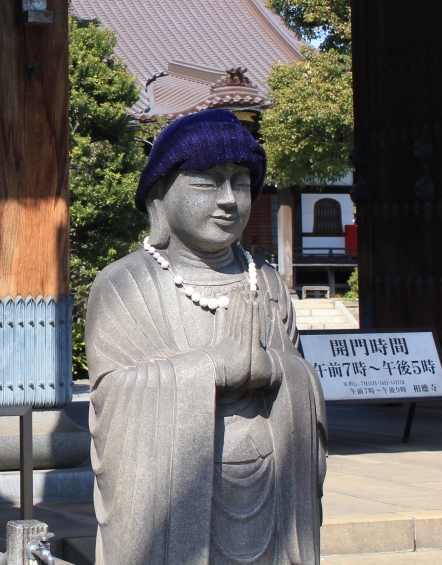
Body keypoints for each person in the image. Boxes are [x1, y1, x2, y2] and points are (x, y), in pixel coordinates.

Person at [85, 109, 326, 565]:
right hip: (176, 504)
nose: (228, 200)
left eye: (241, 183)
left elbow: (303, 379)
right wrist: (215, 367)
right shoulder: (126, 284)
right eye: (206, 183)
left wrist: (275, 368)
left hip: (270, 493)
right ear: (160, 194)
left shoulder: (268, 282)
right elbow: (112, 396)